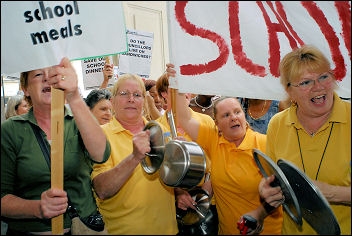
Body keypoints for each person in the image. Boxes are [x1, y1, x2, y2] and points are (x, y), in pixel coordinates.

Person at [166, 64, 283, 235]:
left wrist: (259, 214)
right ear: (217, 124)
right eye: (226, 115)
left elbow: (283, 192)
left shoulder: (265, 144)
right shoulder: (214, 140)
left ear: (244, 116)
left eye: (237, 112)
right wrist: (177, 81)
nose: (233, 117)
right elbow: (184, 117)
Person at [1, 57, 111, 234]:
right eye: (38, 74)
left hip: (81, 227)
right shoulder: (10, 131)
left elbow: (101, 154)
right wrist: (37, 208)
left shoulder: (78, 122)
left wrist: (74, 95)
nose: (47, 78)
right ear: (25, 89)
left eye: (53, 73)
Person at [259, 45, 351, 235]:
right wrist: (267, 189)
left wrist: (331, 193)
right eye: (306, 82)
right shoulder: (277, 124)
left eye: (324, 77)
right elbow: (275, 178)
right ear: (290, 92)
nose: (318, 87)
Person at [91, 73, 178, 235]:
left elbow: (172, 177)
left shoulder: (162, 132)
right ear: (112, 102)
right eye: (124, 94)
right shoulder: (99, 136)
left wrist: (181, 189)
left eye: (137, 95)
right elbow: (102, 190)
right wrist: (134, 157)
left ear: (144, 102)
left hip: (168, 230)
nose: (131, 99)